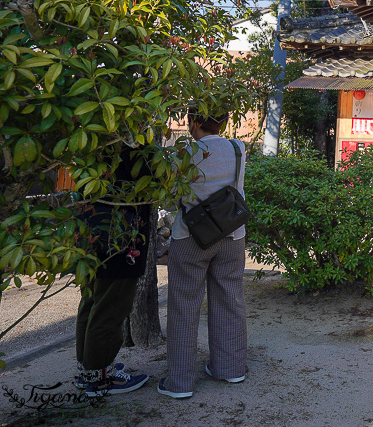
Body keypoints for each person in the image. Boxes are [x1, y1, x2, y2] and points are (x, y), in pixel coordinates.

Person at [157, 108, 248, 399]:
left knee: (184, 306)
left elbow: (170, 196)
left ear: (193, 121)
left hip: (191, 236)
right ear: (223, 121)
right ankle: (231, 368)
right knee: (230, 299)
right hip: (232, 234)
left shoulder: (183, 153)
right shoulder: (238, 148)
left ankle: (180, 383)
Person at [75, 146, 152, 396]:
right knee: (110, 306)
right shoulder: (133, 146)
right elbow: (156, 182)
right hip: (119, 234)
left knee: (91, 301)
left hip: (89, 229)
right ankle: (98, 378)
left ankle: (88, 369)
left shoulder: (94, 141)